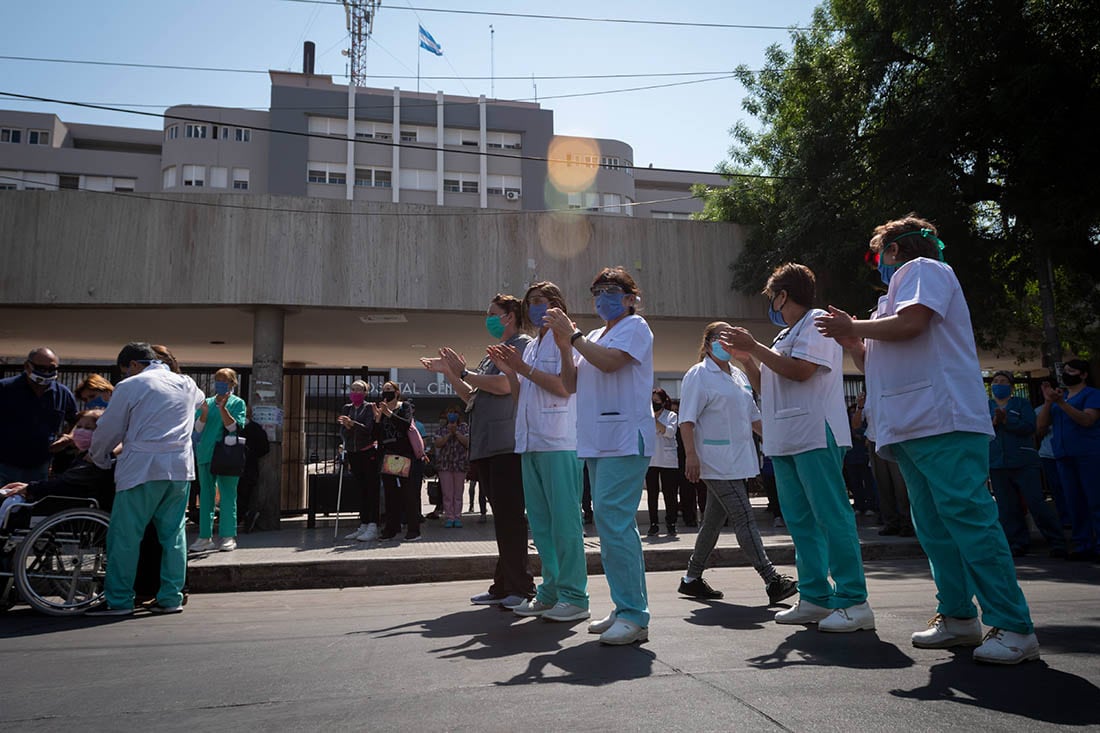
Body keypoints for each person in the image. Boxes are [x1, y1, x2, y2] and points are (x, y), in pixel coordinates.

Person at [815, 214, 1039, 663]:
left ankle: (1014, 626)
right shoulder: (887, 303)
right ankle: (958, 618)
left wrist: (854, 328)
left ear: (895, 249)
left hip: (943, 419)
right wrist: (851, 338)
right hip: (912, 425)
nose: (877, 261)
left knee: (969, 519)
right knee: (935, 527)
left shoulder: (923, 271)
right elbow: (874, 360)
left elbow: (913, 324)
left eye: (877, 253)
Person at [724, 263, 874, 633]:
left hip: (815, 433)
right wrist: (748, 359)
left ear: (783, 295)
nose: (771, 304)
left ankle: (854, 601)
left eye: (772, 296)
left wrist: (753, 345)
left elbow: (802, 371)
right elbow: (767, 385)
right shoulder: (783, 336)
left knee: (831, 516)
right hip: (786, 438)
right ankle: (815, 598)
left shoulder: (819, 321)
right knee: (801, 522)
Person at [546, 266, 655, 645]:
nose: (602, 298)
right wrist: (564, 346)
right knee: (609, 528)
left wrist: (572, 336)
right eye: (596, 291)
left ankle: (634, 615)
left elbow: (611, 363)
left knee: (614, 522)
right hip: (598, 440)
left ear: (630, 298)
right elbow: (570, 383)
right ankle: (625, 605)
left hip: (626, 438)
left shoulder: (636, 328)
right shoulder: (591, 336)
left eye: (610, 290)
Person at [486, 281, 590, 623]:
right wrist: (511, 372)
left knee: (565, 523)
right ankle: (550, 591)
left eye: (541, 301)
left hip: (559, 442)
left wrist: (524, 369)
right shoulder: (530, 348)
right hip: (529, 442)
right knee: (542, 526)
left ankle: (575, 595)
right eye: (530, 302)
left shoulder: (567, 338)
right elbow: (522, 396)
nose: (534, 308)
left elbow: (564, 387)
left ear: (557, 304)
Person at [425, 294, 535, 608]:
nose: (488, 319)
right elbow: (472, 396)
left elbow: (503, 386)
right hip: (486, 447)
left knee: (510, 519)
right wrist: (450, 372)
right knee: (503, 520)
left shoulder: (522, 345)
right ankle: (503, 585)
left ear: (511, 315)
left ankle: (521, 587)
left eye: (493, 313)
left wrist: (462, 372)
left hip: (507, 445)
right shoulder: (490, 356)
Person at [676, 322, 798, 606]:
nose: (726, 342)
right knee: (743, 515)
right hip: (714, 461)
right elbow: (686, 420)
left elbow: (754, 418)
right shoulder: (698, 375)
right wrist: (691, 455)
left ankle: (691, 579)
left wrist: (777, 441)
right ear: (707, 344)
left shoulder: (739, 376)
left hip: (739, 460)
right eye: (720, 337)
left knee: (713, 521)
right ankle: (771, 579)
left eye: (730, 336)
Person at [87, 342, 205, 615]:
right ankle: (171, 597)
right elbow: (199, 401)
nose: (124, 376)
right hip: (179, 470)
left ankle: (119, 601)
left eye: (125, 371)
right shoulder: (186, 383)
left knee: (125, 537)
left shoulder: (131, 386)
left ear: (134, 365)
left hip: (141, 469)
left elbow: (108, 428)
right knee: (173, 536)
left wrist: (99, 457)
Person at [987, 371, 1066, 557]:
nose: (999, 384)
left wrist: (1007, 421)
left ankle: (1057, 542)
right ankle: (1017, 543)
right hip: (997, 464)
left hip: (1024, 462)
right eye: (996, 381)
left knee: (1036, 503)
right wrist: (994, 421)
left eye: (1003, 381)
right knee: (1007, 507)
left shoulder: (1021, 404)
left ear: (1011, 387)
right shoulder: (986, 406)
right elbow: (980, 430)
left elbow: (1031, 427)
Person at [1037, 359, 1100, 561]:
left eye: (1072, 370)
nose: (1067, 374)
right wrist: (1048, 402)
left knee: (1095, 501)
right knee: (1074, 503)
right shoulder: (1058, 398)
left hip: (1088, 455)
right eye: (1064, 371)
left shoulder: (1092, 395)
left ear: (1083, 374)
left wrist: (1061, 403)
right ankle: (1083, 545)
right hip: (1063, 456)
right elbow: (1041, 427)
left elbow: (1087, 420)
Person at [190, 368, 247, 553]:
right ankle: (205, 537)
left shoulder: (237, 403)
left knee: (228, 495)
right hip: (206, 454)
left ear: (232, 383)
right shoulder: (206, 402)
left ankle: (228, 536)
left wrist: (223, 408)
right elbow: (197, 429)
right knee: (206, 496)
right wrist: (205, 414)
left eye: (224, 380)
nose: (220, 383)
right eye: (217, 380)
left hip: (227, 455)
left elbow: (234, 427)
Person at [0, 347, 78, 484]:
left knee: (32, 504)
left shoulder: (62, 393)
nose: (46, 373)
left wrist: (69, 437)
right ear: (27, 366)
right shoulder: (5, 389)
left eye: (51, 369)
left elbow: (76, 421)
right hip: (4, 465)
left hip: (40, 467)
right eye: (41, 368)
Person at [372, 381, 421, 542]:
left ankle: (413, 528)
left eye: (390, 390)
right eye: (384, 390)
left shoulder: (404, 406)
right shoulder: (381, 410)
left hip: (404, 454)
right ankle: (391, 528)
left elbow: (405, 425)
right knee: (390, 493)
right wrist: (378, 419)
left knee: (408, 493)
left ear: (397, 392)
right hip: (388, 455)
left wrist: (390, 414)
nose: (386, 392)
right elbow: (375, 436)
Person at [338, 380, 380, 542]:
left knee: (371, 489)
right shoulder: (347, 408)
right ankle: (363, 524)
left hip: (367, 452)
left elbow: (369, 430)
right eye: (353, 389)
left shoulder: (369, 408)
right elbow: (343, 432)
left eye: (359, 390)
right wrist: (347, 428)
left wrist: (353, 424)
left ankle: (373, 524)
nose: (355, 392)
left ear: (365, 392)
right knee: (361, 489)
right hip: (353, 452)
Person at [646, 388, 680, 536]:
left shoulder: (671, 415)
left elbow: (669, 432)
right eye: (652, 402)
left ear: (664, 402)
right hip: (651, 459)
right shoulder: (645, 416)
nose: (654, 404)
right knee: (652, 494)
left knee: (669, 493)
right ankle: (653, 523)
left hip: (668, 461)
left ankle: (671, 523)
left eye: (657, 402)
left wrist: (654, 420)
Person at [433, 404, 470, 528]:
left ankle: (457, 517)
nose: (452, 415)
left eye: (454, 413)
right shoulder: (441, 429)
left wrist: (457, 433)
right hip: (445, 464)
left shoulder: (464, 428)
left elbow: (467, 443)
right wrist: (449, 433)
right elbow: (438, 444)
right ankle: (449, 517)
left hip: (460, 464)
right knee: (447, 493)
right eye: (449, 413)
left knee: (458, 493)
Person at [237, 406, 271, 534]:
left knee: (235, 495)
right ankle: (246, 515)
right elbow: (265, 448)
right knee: (245, 495)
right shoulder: (256, 429)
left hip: (231, 467)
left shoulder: (232, 427)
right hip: (250, 467)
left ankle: (241, 517)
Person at [843, 401, 878, 518]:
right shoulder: (847, 418)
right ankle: (859, 505)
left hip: (863, 454)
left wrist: (863, 436)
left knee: (868, 482)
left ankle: (870, 505)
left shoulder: (866, 415)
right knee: (855, 483)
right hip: (851, 455)